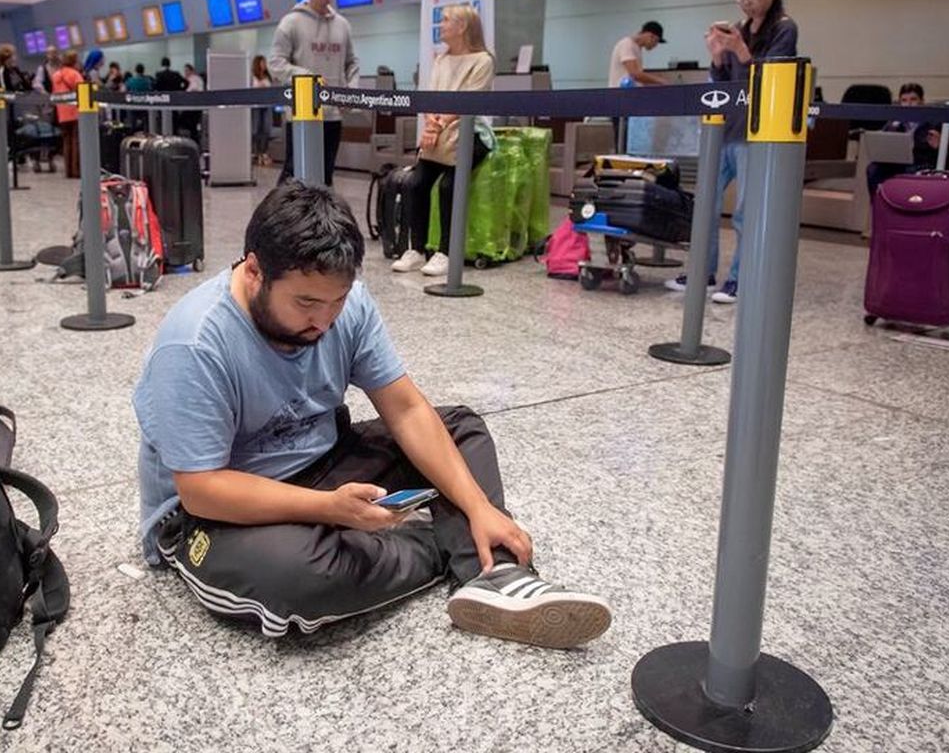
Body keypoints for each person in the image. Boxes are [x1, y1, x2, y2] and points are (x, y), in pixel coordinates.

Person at [134, 180, 611, 648]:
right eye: (305, 303)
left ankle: (497, 572)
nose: (323, 320)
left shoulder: (348, 306)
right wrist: (327, 509)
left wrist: (478, 506)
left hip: (323, 461)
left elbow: (404, 409)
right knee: (297, 578)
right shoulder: (195, 343)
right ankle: (458, 550)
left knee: (457, 428)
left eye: (336, 301)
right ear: (255, 272)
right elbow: (202, 491)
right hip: (219, 510)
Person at [666, 0, 798, 304]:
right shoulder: (740, 28)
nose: (747, 2)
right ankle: (703, 273)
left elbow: (771, 83)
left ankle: (739, 278)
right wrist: (718, 58)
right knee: (703, 205)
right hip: (724, 131)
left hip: (756, 135)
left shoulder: (785, 28)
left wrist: (740, 49)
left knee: (744, 212)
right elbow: (725, 86)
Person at [391, 5, 495, 279]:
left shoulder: (483, 60)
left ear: (462, 27)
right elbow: (431, 97)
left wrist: (436, 125)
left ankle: (446, 252)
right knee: (415, 183)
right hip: (439, 133)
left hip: (469, 134)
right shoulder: (440, 60)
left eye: (447, 20)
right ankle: (415, 249)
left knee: (450, 186)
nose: (442, 24)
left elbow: (468, 103)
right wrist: (431, 125)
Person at [270, 0, 359, 186]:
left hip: (332, 115)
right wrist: (307, 77)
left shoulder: (343, 25)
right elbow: (276, 62)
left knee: (325, 175)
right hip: (302, 115)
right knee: (294, 175)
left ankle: (320, 221)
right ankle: (281, 220)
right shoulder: (290, 23)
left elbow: (352, 62)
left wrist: (351, 91)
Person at [866, 82, 941, 195]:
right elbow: (882, 144)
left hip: (921, 164)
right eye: (904, 100)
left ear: (922, 102)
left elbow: (947, 159)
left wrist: (938, 147)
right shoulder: (894, 123)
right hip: (898, 164)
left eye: (913, 99)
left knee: (911, 172)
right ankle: (878, 204)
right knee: (873, 169)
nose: (909, 104)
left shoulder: (933, 124)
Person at [52, 49, 84, 178]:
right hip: (74, 110)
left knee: (66, 141)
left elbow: (54, 93)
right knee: (75, 140)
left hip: (61, 110)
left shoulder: (56, 75)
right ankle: (76, 170)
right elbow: (82, 90)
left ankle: (68, 170)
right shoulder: (75, 74)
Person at [251, 54, 273, 165]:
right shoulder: (252, 77)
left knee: (266, 129)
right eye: (262, 63)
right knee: (256, 129)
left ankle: (264, 152)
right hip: (256, 106)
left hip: (267, 105)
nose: (264, 65)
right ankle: (256, 152)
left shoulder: (268, 77)